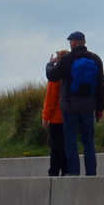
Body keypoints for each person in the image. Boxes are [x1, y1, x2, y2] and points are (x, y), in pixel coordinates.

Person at [62, 30, 104, 178]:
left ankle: (74, 172)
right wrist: (100, 108)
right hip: (88, 107)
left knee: (71, 141)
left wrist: (50, 64)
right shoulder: (95, 59)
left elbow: (52, 75)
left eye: (71, 41)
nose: (70, 43)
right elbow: (101, 85)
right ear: (84, 42)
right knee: (89, 142)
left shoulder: (67, 59)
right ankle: (91, 173)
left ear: (74, 42)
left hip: (70, 107)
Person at [40, 47, 70, 176]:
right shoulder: (72, 73)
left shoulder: (56, 76)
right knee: (67, 146)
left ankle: (53, 172)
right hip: (71, 117)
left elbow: (50, 98)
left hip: (57, 119)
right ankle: (67, 171)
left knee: (55, 147)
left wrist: (45, 117)